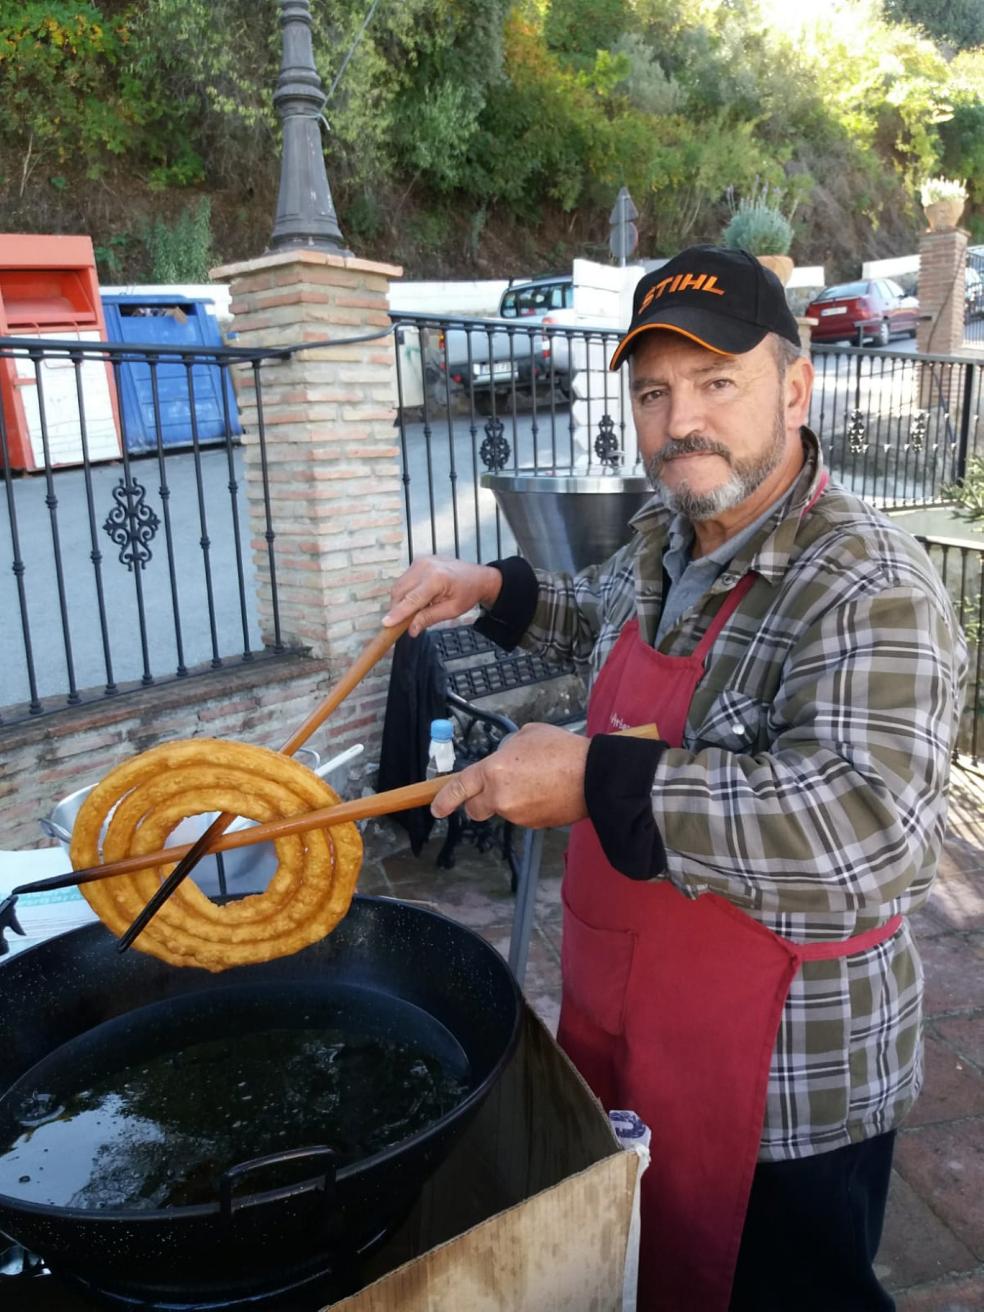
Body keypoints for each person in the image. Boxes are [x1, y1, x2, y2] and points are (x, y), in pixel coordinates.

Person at [383, 245, 968, 1312]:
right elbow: (592, 612)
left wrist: (601, 781)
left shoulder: (872, 587)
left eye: (715, 382)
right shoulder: (668, 532)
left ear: (795, 387)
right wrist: (487, 587)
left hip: (786, 1083)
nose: (678, 418)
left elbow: (869, 831)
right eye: (652, 390)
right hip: (627, 1026)